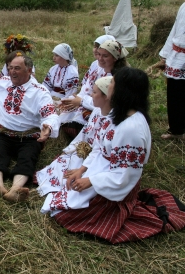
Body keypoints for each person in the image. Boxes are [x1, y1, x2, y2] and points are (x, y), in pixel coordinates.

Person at [42, 68, 185, 244]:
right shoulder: (116, 114)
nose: (109, 86)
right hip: (102, 170)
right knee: (62, 197)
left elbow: (125, 175)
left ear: (123, 91)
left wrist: (91, 181)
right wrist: (82, 169)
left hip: (114, 182)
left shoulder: (131, 130)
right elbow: (99, 146)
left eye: (113, 84)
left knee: (66, 215)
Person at [0, 55, 60, 202]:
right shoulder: (2, 83)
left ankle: (16, 189)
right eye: (10, 68)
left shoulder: (39, 91)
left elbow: (50, 114)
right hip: (3, 133)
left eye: (17, 68)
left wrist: (48, 126)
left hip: (28, 137)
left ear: (29, 70)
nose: (12, 72)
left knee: (28, 157)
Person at [36, 76, 113, 199]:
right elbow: (85, 133)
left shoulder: (112, 120)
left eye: (94, 92)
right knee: (61, 164)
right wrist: (72, 148)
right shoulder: (97, 111)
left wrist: (84, 165)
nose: (91, 95)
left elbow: (100, 147)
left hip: (94, 158)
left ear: (106, 96)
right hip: (84, 149)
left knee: (71, 178)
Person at [59, 35, 115, 138]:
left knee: (74, 126)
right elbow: (85, 88)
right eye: (95, 47)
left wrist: (81, 102)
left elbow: (107, 102)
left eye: (103, 52)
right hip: (85, 101)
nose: (96, 51)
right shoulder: (95, 64)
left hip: (97, 105)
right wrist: (73, 100)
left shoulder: (113, 74)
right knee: (59, 110)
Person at [158, 2, 185, 139]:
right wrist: (165, 54)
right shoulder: (183, 6)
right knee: (175, 94)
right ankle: (177, 130)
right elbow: (175, 30)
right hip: (177, 57)